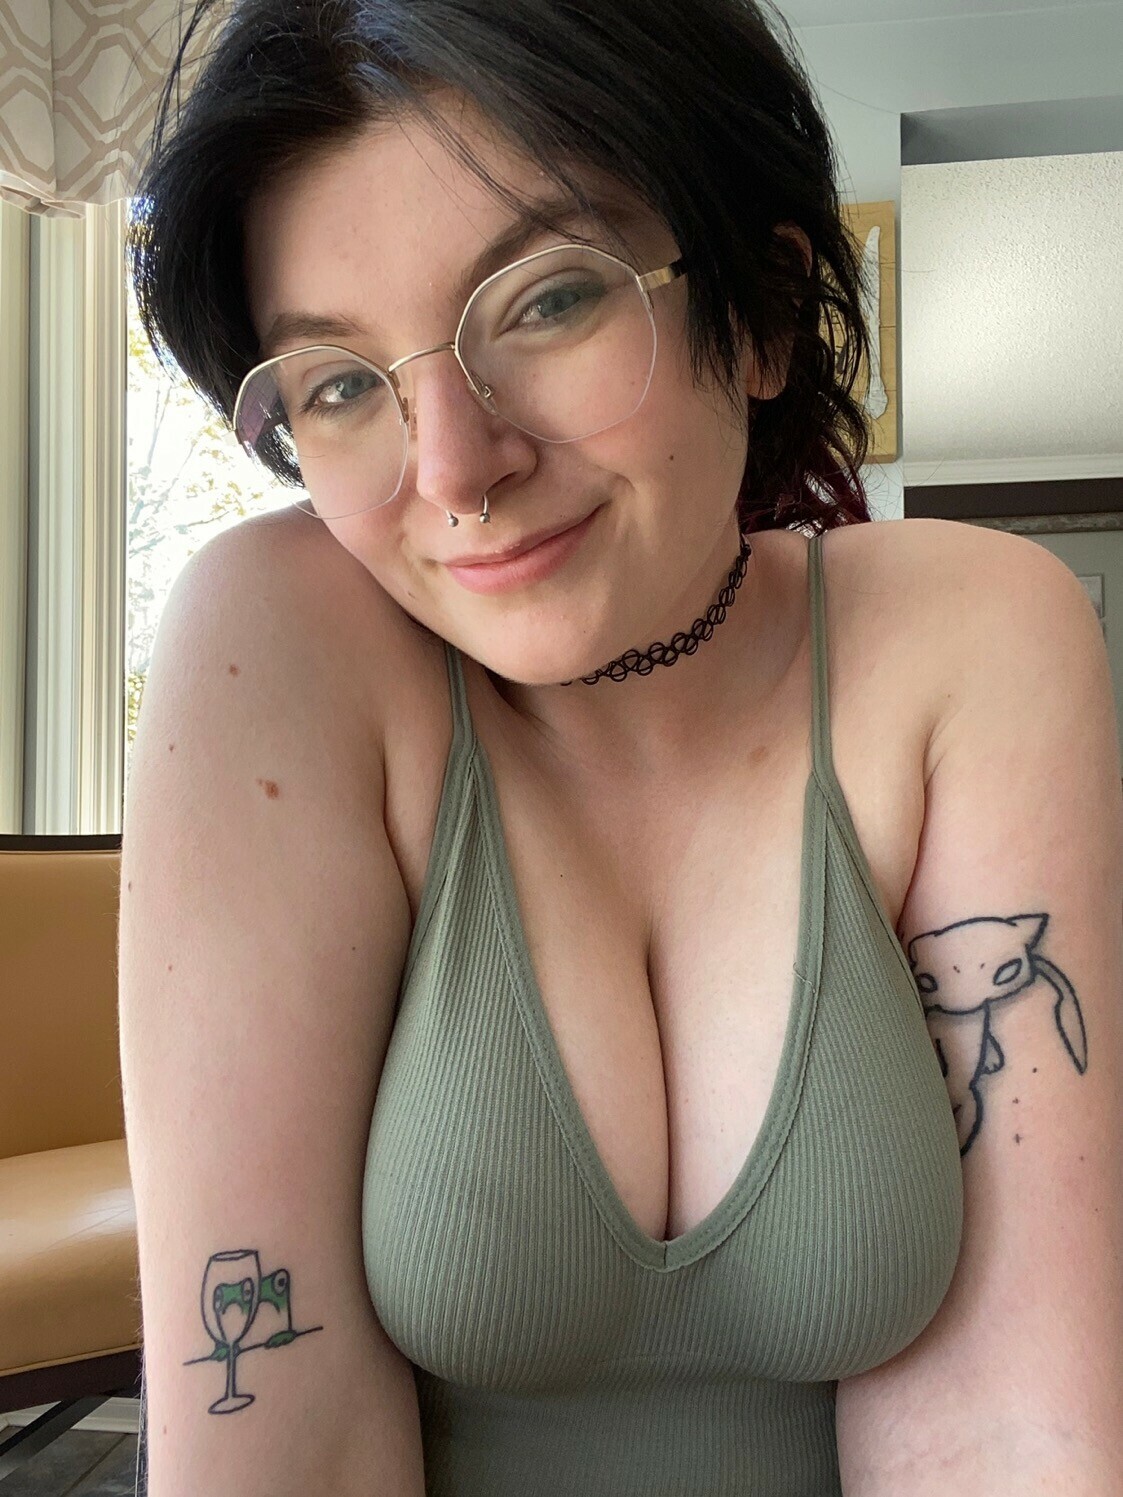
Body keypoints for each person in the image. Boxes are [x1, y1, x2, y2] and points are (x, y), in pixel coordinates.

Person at [117, 0, 1123, 1492]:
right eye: (338, 382)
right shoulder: (278, 644)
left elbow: (1011, 1436)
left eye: (548, 301)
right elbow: (279, 1443)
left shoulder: (977, 635)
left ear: (764, 313)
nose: (454, 468)